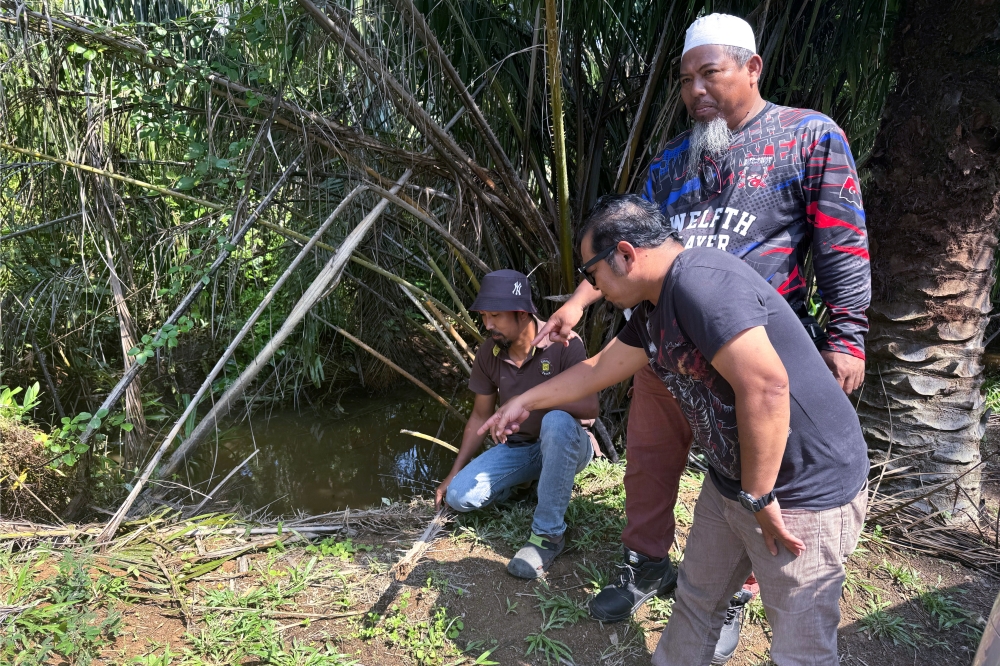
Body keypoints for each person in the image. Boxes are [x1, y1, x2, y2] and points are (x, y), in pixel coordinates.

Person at [534, 13, 870, 661]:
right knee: (650, 457)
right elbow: (625, 245)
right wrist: (580, 298)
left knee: (752, 467)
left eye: (709, 72)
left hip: (754, 353)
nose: (696, 90)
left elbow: (842, 241)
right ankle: (646, 562)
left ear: (751, 68)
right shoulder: (674, 159)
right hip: (668, 343)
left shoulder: (807, 137)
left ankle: (735, 595)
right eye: (686, 79)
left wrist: (848, 339)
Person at [483, 195, 869, 666]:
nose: (593, 287)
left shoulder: (700, 281)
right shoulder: (653, 309)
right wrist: (523, 400)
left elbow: (766, 386)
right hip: (734, 483)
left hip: (801, 488)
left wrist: (761, 497)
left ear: (624, 254)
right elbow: (597, 369)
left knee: (801, 645)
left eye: (592, 274)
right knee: (695, 601)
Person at [434, 269, 599, 579]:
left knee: (557, 421)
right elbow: (480, 416)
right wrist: (452, 473)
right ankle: (524, 482)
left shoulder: (564, 343)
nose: (487, 324)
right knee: (459, 496)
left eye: (495, 315)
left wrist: (529, 401)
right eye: (484, 316)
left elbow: (591, 406)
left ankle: (546, 536)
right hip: (521, 448)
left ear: (522, 314)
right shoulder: (489, 353)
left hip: (569, 445)